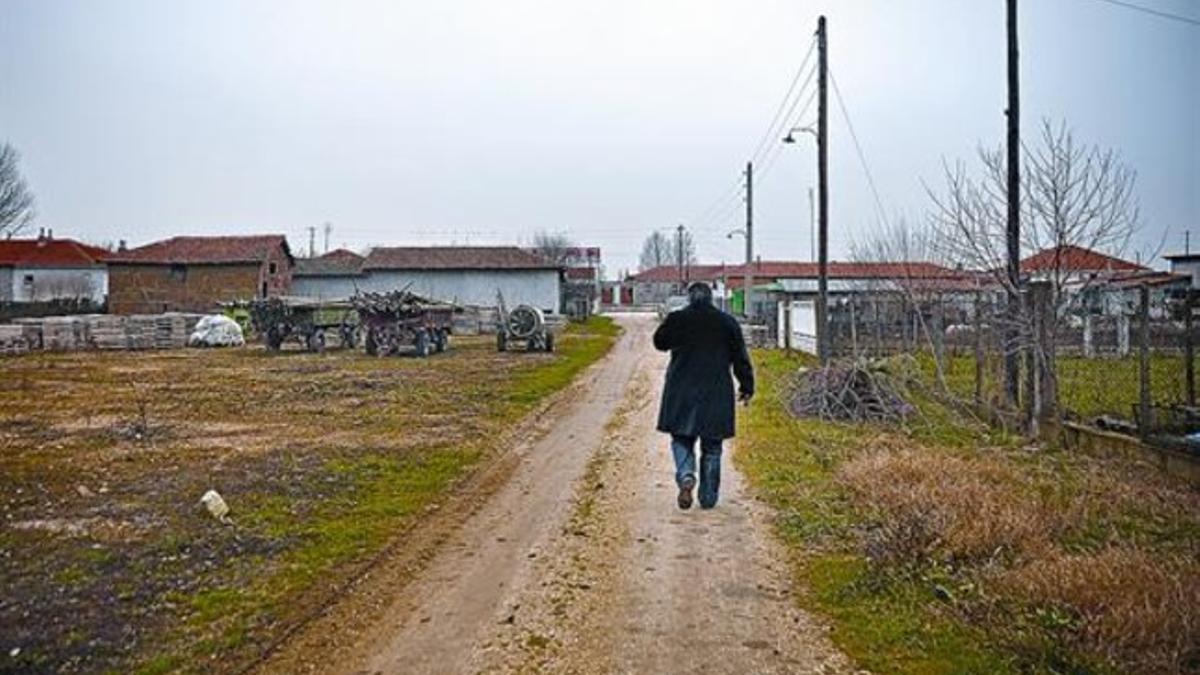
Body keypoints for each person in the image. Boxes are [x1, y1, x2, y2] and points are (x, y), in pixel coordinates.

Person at [652, 281, 754, 510]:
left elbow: (659, 343)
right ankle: (708, 498)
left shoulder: (678, 319)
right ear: (711, 298)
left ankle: (687, 474)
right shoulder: (727, 323)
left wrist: (670, 323)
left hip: (681, 390)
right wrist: (746, 386)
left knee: (680, 438)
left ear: (690, 298)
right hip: (716, 391)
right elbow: (740, 358)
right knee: (712, 446)